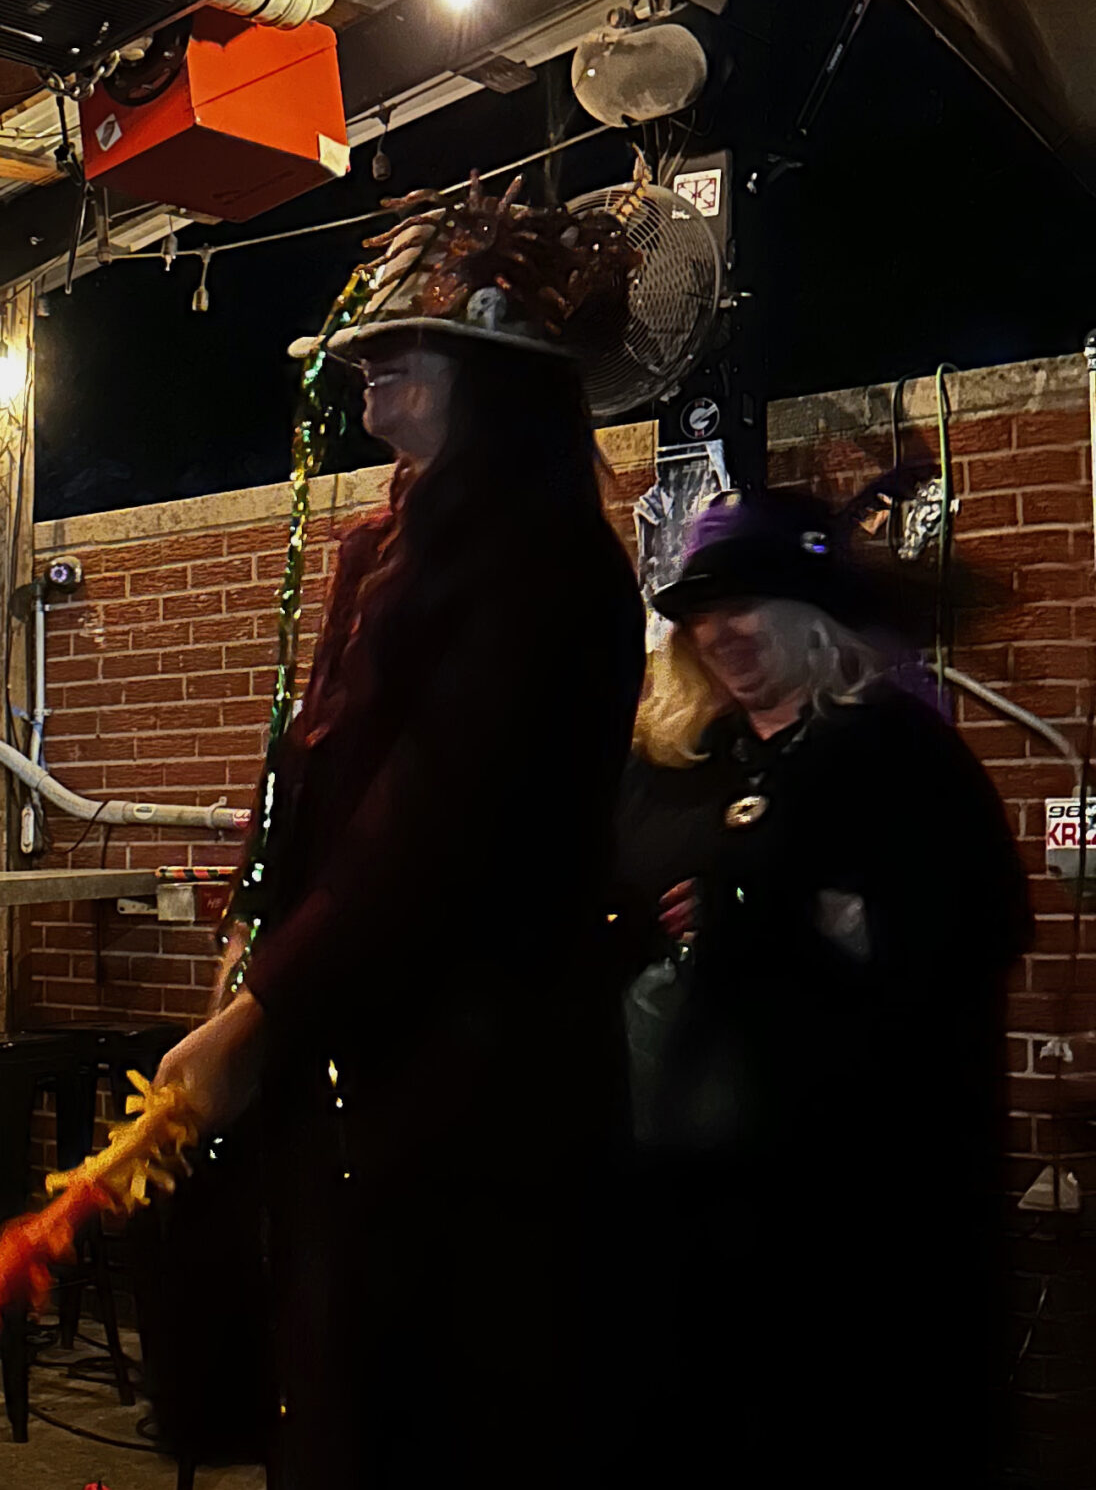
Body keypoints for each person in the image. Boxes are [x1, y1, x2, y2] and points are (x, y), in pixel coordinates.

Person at [151, 184, 647, 1488]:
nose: (367, 361)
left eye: (404, 342)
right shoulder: (383, 541)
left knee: (441, 1405)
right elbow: (313, 774)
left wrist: (264, 1014)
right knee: (332, 1390)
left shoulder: (547, 558)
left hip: (479, 1077)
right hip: (362, 1055)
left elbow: (432, 817)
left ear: (498, 375)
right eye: (366, 339)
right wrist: (253, 941)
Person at [613, 490, 1026, 1484]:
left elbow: (962, 940)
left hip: (861, 1224)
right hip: (704, 1210)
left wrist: (779, 916)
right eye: (700, 610)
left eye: (744, 602)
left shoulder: (896, 752)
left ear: (811, 614)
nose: (718, 630)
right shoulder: (692, 762)